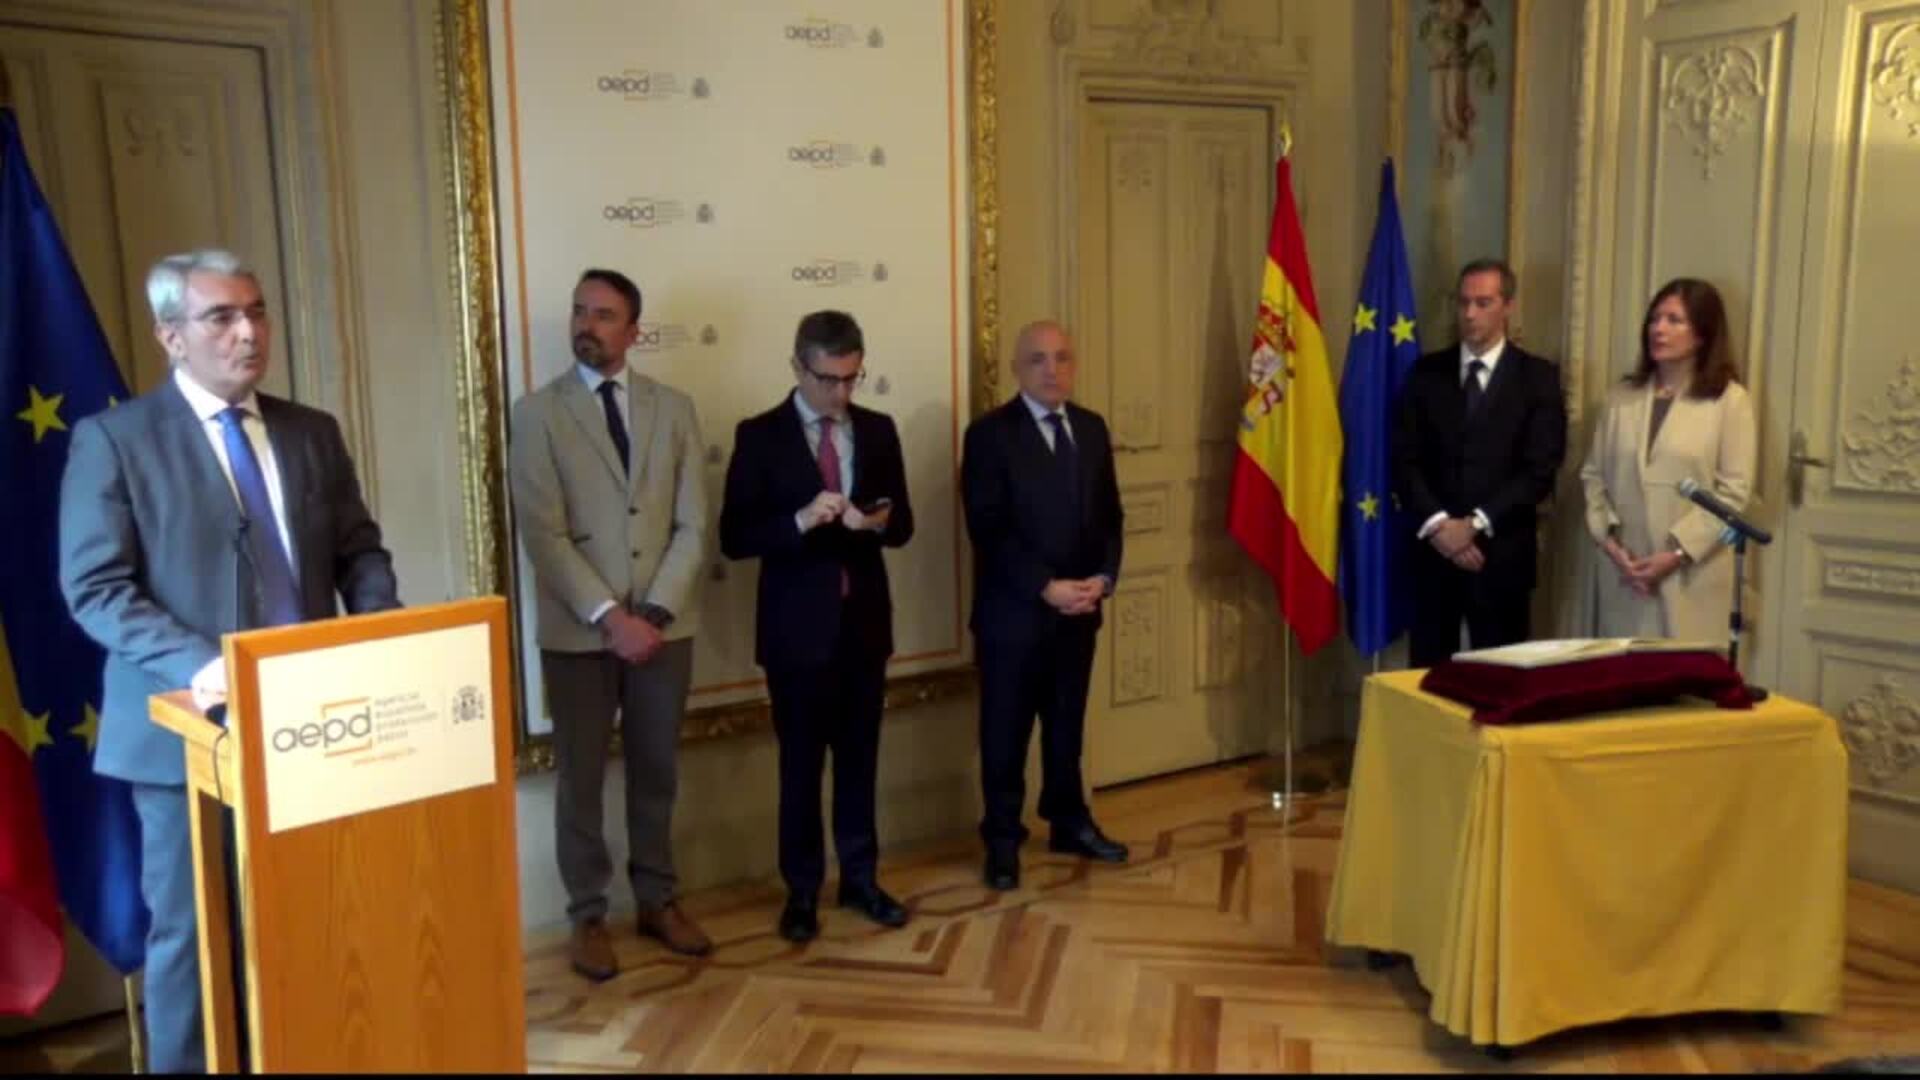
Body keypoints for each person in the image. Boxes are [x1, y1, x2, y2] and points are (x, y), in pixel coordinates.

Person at [59, 249, 400, 1072]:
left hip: (314, 724)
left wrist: (381, 635)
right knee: (193, 934)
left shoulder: (311, 431)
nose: (248, 332)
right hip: (184, 736)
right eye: (221, 317)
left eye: (256, 311)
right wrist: (200, 663)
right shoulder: (116, 441)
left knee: (309, 916)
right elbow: (96, 588)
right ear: (171, 336)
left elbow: (358, 551)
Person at [508, 268, 712, 980]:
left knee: (656, 771)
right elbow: (544, 534)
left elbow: (693, 523)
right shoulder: (537, 414)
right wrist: (609, 616)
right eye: (579, 312)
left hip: (663, 630)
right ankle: (588, 915)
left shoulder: (674, 409)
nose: (586, 325)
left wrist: (651, 613)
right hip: (580, 634)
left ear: (634, 330)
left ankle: (658, 899)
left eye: (603, 315)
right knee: (581, 781)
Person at [719, 310, 915, 943]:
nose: (840, 393)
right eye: (828, 379)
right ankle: (801, 891)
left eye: (852, 378)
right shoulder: (760, 435)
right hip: (795, 634)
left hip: (863, 628)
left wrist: (872, 522)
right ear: (798, 368)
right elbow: (734, 536)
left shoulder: (878, 430)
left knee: (860, 762)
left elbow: (903, 525)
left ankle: (860, 879)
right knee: (800, 769)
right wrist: (800, 521)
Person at [961, 319, 1127, 892]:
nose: (1052, 370)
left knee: (1066, 727)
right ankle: (1003, 841)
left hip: (1079, 612)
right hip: (1014, 616)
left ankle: (1068, 821)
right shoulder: (989, 435)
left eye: (1062, 358)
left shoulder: (1091, 427)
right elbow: (988, 528)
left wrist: (1103, 578)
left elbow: (1110, 517)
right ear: (1016, 369)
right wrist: (1045, 586)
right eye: (1037, 359)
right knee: (1005, 735)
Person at [1394, 258, 1568, 667]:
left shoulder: (1537, 377)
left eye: (1483, 303)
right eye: (1463, 302)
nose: (1470, 314)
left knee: (1501, 677)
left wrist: (1473, 525)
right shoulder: (1426, 373)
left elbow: (1540, 469)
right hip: (1434, 556)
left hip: (1501, 556)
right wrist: (1441, 528)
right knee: (1427, 677)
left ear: (1508, 306)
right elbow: (1404, 458)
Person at [1580, 278, 1757, 641]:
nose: (1658, 329)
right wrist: (1611, 544)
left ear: (1702, 334)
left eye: (1674, 320)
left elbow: (1733, 493)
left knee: (1681, 672)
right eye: (1654, 319)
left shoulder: (1729, 400)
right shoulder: (1621, 397)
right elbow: (1593, 476)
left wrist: (1676, 554)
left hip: (1691, 576)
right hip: (1624, 572)